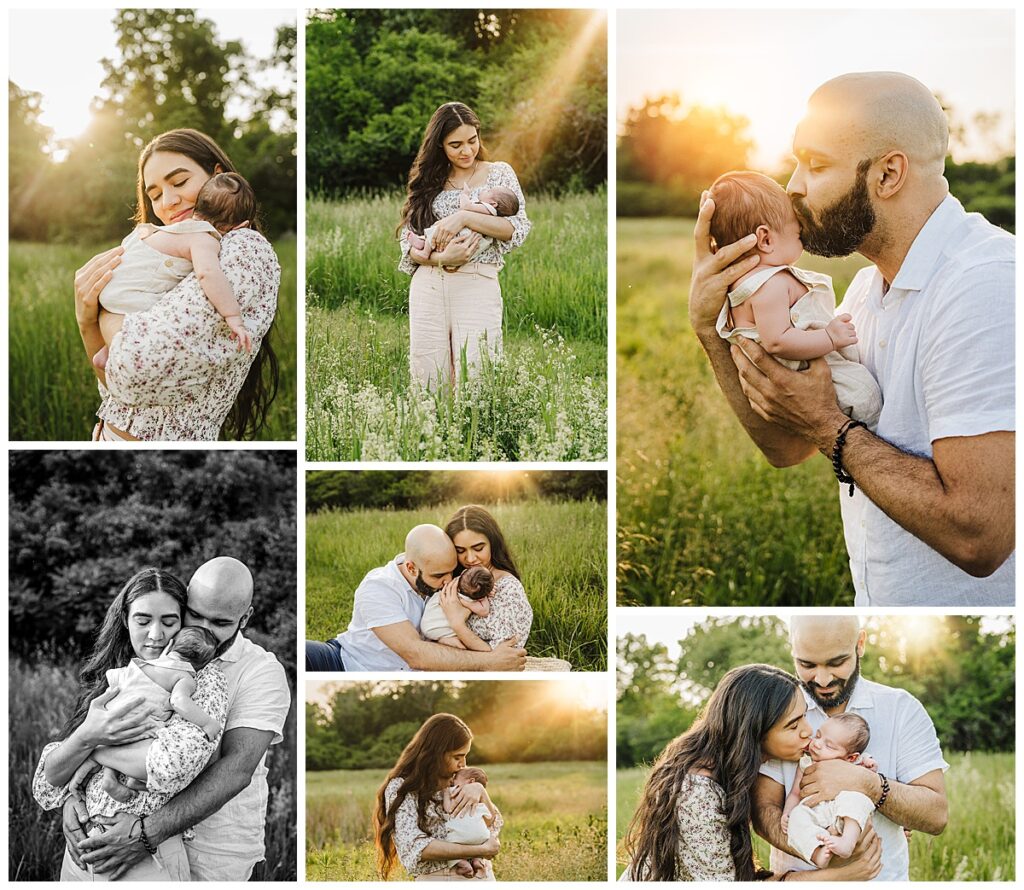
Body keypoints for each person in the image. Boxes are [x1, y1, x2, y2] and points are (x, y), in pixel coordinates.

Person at [688, 72, 1014, 604]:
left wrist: (828, 424)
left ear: (888, 174)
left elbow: (980, 534)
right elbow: (787, 445)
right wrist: (710, 329)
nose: (792, 186)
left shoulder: (987, 285)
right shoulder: (864, 290)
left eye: (815, 165)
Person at [62, 557, 292, 881]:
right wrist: (76, 798)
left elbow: (237, 769)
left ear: (246, 618)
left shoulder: (261, 672)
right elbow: (103, 725)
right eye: (195, 614)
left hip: (212, 850)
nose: (204, 629)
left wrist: (145, 835)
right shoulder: (161, 649)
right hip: (116, 824)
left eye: (220, 622)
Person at [74, 128, 281, 441]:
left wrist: (103, 316)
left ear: (219, 177)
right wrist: (85, 321)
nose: (168, 202)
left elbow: (132, 369)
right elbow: (112, 388)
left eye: (180, 182)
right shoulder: (167, 254)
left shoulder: (243, 250)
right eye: (154, 195)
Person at [32, 568, 228, 881]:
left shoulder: (201, 680)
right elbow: (48, 780)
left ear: (183, 625)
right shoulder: (121, 675)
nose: (155, 634)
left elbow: (171, 766)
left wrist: (92, 749)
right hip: (80, 858)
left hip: (145, 855)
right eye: (143, 620)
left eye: (169, 621)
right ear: (125, 619)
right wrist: (73, 797)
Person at [621, 663, 881, 881]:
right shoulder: (699, 795)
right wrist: (836, 877)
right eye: (792, 726)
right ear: (754, 732)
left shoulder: (737, 767)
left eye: (803, 717)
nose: (808, 731)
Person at [755, 615, 949, 881]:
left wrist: (867, 784)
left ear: (860, 644)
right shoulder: (779, 709)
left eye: (837, 662)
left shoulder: (901, 709)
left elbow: (936, 815)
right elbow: (763, 807)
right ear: (793, 650)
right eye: (807, 664)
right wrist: (821, 852)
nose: (822, 680)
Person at [709, 171, 881, 427]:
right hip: (808, 372)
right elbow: (777, 341)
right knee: (865, 395)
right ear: (766, 239)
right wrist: (830, 338)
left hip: (802, 368)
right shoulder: (770, 284)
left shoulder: (741, 282)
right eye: (796, 230)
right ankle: (877, 442)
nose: (802, 232)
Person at [398, 102, 532, 388]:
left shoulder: (499, 173)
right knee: (428, 376)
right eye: (455, 144)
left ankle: (474, 431)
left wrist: (462, 217)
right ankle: (431, 433)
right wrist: (442, 259)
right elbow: (406, 240)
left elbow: (516, 228)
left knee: (478, 372)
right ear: (440, 146)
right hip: (429, 282)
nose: (466, 151)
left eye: (472, 141)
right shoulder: (429, 181)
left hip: (476, 281)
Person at [92, 172, 258, 370]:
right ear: (241, 226)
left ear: (198, 206)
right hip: (129, 295)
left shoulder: (180, 229)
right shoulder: (203, 237)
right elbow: (207, 273)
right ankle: (119, 353)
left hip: (116, 284)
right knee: (160, 316)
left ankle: (106, 353)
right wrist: (232, 315)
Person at [305, 524, 526, 672]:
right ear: (411, 568)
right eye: (439, 576)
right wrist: (490, 661)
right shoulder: (378, 587)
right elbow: (416, 654)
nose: (448, 581)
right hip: (346, 663)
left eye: (452, 571)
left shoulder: (445, 576)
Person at [69, 626, 226, 804]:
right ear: (202, 665)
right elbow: (178, 701)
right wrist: (206, 723)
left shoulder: (146, 663)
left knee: (119, 743)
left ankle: (108, 778)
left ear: (171, 644)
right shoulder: (184, 676)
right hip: (138, 723)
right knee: (156, 740)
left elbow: (117, 680)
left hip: (112, 716)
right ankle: (136, 779)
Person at [374, 714, 502, 881]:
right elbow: (416, 846)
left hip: (482, 876)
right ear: (435, 754)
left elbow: (491, 824)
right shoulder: (401, 788)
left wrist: (481, 791)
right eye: (457, 757)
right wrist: (480, 850)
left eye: (465, 755)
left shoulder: (461, 781)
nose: (463, 764)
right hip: (439, 878)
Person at [781, 714, 875, 867]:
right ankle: (816, 852)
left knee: (856, 800)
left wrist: (869, 763)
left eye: (829, 746)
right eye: (818, 735)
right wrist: (787, 812)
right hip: (816, 813)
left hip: (842, 814)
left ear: (850, 758)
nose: (817, 744)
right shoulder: (806, 763)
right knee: (797, 817)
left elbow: (866, 765)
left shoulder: (854, 763)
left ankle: (847, 842)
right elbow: (795, 793)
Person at [407, 185, 521, 265]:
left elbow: (465, 207)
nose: (485, 190)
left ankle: (425, 252)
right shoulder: (490, 210)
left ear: (493, 203)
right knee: (437, 231)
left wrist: (465, 194)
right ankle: (422, 242)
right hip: (465, 235)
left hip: (464, 234)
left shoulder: (488, 208)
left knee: (437, 232)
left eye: (488, 191)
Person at [442, 767, 498, 878]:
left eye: (456, 778)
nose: (453, 781)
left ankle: (462, 863)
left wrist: (446, 793)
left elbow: (448, 809)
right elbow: (491, 818)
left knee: (447, 842)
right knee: (478, 838)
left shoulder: (455, 791)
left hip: (459, 836)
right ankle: (477, 860)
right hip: (481, 836)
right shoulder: (479, 800)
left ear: (471, 781)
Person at [421, 566, 494, 648]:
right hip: (439, 629)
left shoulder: (455, 582)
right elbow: (484, 611)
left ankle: (436, 638)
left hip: (426, 622)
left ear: (463, 572)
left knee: (438, 597)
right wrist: (485, 597)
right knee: (461, 640)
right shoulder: (472, 600)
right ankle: (443, 639)